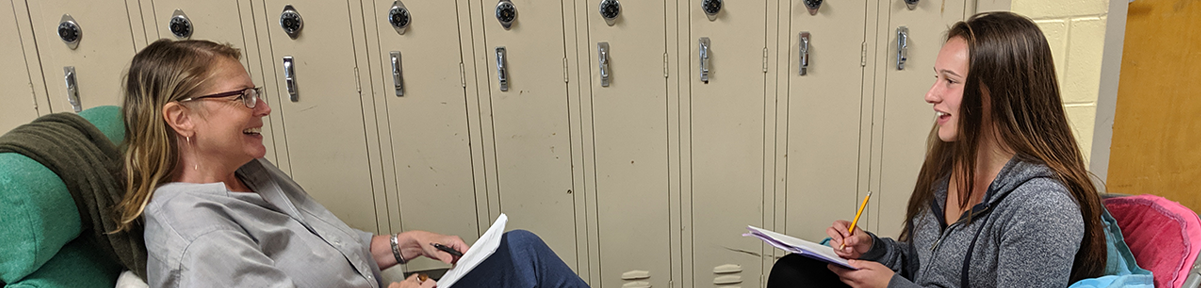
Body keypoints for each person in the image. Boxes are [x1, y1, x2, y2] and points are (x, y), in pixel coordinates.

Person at [112, 39, 590, 288]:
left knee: (520, 253)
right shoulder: (203, 243)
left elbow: (332, 249)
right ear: (181, 118)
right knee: (525, 263)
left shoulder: (246, 174)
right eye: (243, 97)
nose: (263, 108)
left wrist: (408, 244)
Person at [765, 12, 1107, 288]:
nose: (931, 94)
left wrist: (891, 287)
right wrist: (874, 249)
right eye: (936, 78)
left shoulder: (1042, 208)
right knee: (794, 272)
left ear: (998, 95)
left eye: (950, 81)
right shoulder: (952, 167)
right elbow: (919, 265)